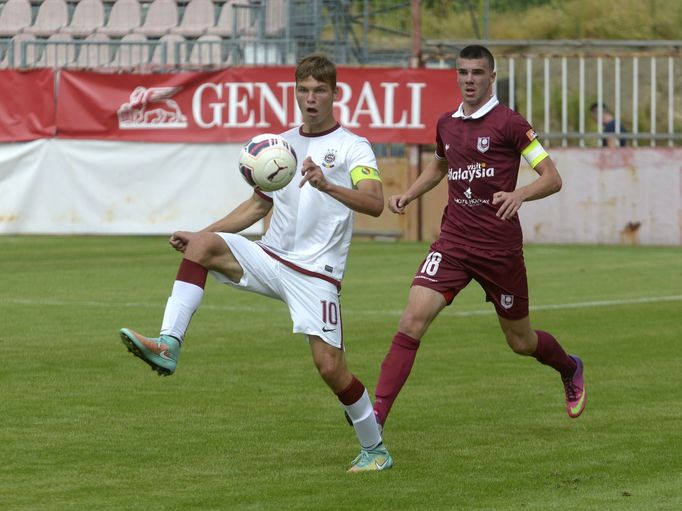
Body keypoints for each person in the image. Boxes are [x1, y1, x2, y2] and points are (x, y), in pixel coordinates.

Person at [119, 53, 393, 473]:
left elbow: (375, 203)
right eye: (303, 90)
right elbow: (256, 205)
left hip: (317, 274)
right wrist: (201, 233)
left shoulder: (352, 147)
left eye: (320, 90)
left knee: (330, 368)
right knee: (203, 247)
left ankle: (375, 449)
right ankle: (168, 344)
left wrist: (328, 183)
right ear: (295, 92)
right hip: (271, 255)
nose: (311, 98)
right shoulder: (280, 143)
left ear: (335, 94)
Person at [373, 45, 586, 430]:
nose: (469, 79)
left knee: (521, 342)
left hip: (498, 250)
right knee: (411, 321)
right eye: (463, 72)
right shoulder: (447, 124)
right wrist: (408, 193)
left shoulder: (510, 123)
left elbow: (552, 178)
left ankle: (569, 368)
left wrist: (520, 193)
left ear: (491, 77)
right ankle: (375, 419)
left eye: (477, 73)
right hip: (453, 244)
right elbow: (439, 166)